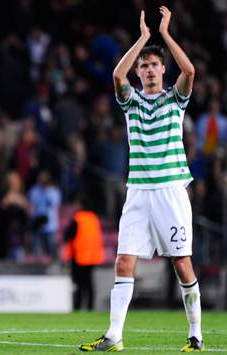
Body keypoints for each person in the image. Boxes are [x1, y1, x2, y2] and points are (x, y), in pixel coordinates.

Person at [79, 7, 203, 352]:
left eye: (153, 64)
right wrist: (143, 38)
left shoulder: (175, 100)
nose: (148, 69)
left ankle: (196, 335)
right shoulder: (131, 102)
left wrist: (164, 34)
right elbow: (117, 76)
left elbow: (190, 70)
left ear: (163, 69)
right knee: (123, 260)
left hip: (170, 191)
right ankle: (114, 336)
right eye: (144, 65)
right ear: (139, 71)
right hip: (138, 193)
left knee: (181, 263)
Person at [63, 197, 104, 310]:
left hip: (79, 256)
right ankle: (90, 307)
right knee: (89, 283)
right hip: (92, 257)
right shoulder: (94, 218)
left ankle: (77, 306)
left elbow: (68, 235)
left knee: (78, 283)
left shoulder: (78, 218)